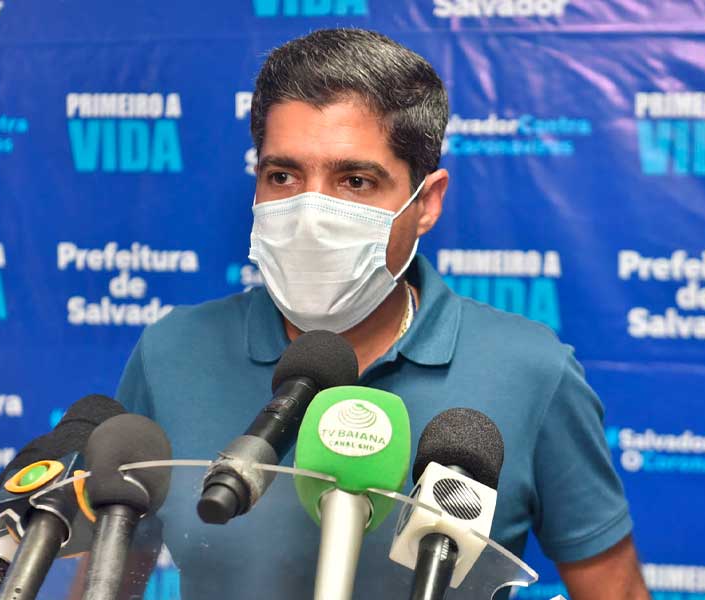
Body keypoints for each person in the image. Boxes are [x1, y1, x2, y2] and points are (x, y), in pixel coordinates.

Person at [116, 28, 650, 599]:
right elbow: (105, 575)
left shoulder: (531, 371)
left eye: (355, 181)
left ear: (427, 203)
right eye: (283, 176)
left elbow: (614, 591)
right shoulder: (171, 353)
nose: (310, 214)